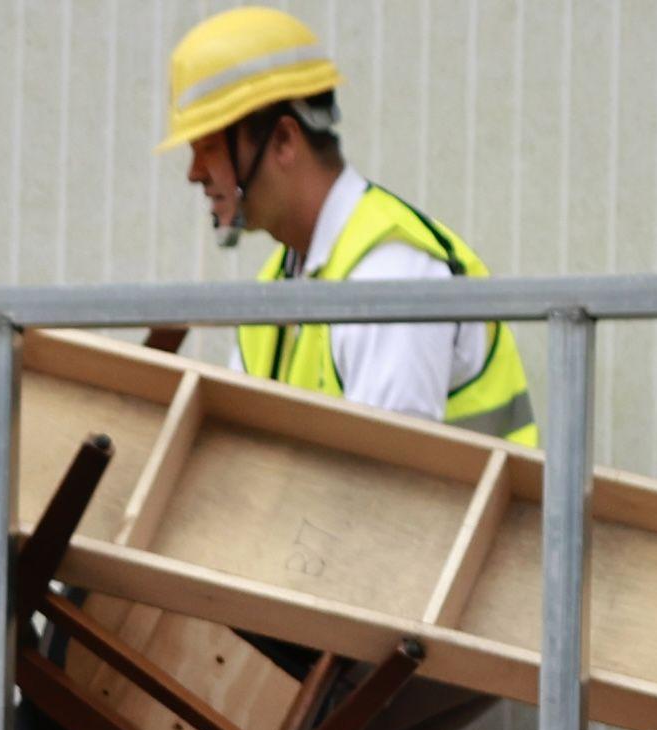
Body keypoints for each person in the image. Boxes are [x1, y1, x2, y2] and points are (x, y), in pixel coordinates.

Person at [162, 10, 531, 441]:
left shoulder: (390, 278)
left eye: (208, 147)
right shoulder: (276, 290)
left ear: (283, 141)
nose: (194, 172)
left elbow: (383, 487)